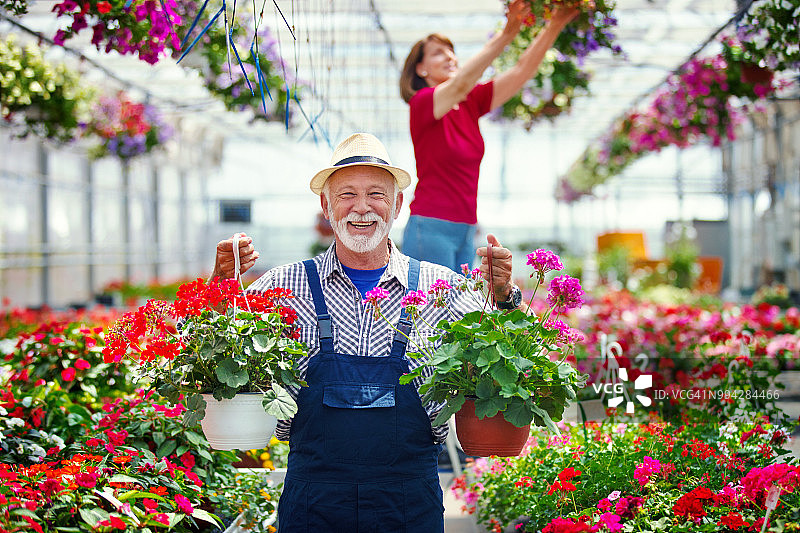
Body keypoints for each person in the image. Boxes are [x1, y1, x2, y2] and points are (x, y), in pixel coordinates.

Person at [210, 133, 526, 533]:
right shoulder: (283, 287)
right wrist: (221, 285)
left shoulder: (440, 288)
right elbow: (215, 349)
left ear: (397, 205)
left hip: (408, 502)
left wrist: (506, 298)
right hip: (314, 502)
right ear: (325, 205)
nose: (362, 208)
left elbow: (511, 362)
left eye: (377, 193)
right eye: (346, 194)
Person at [399, 0, 579, 271]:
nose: (450, 56)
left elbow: (522, 72)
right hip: (431, 226)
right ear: (421, 69)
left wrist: (556, 23)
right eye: (438, 53)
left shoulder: (470, 102)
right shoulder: (422, 103)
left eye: (452, 51)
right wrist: (507, 34)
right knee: (432, 312)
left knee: (459, 312)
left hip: (466, 229)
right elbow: (461, 83)